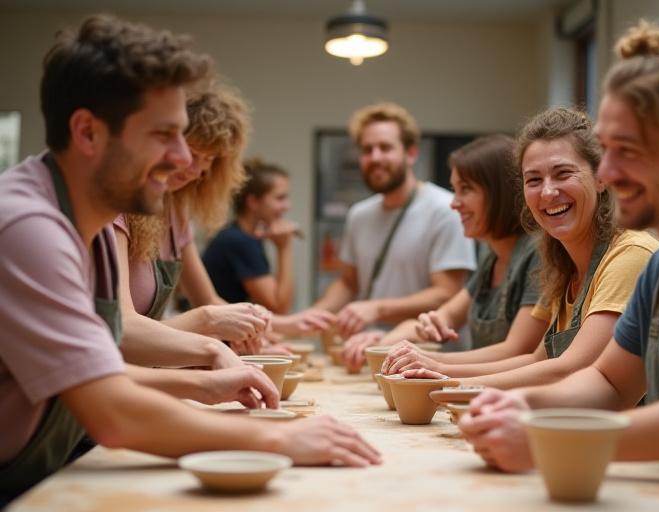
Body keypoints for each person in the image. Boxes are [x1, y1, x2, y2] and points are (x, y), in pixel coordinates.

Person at [0, 15, 379, 503]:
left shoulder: (90, 225)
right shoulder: (29, 229)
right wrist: (278, 439)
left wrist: (209, 386)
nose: (185, 160)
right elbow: (110, 411)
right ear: (88, 133)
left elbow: (93, 374)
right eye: (164, 135)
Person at [459, 21, 659, 510]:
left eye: (628, 151)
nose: (606, 173)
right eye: (606, 150)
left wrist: (556, 441)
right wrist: (521, 405)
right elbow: (608, 382)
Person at [386, 107, 659, 390]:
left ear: (602, 177)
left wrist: (447, 378)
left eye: (563, 174)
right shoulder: (560, 265)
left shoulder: (631, 255)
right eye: (534, 180)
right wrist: (435, 367)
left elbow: (573, 368)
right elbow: (537, 360)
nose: (547, 192)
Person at [343, 134, 548, 372]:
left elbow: (517, 350)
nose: (454, 203)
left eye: (466, 190)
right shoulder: (492, 257)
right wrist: (383, 342)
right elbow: (442, 318)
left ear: (499, 192)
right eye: (455, 190)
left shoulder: (537, 254)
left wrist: (430, 362)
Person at [114, 84, 278, 368]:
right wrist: (209, 322)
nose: (195, 169)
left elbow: (210, 299)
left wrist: (252, 325)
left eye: (210, 159)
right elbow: (120, 331)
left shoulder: (175, 210)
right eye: (193, 152)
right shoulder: (119, 206)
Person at [298, 102, 476, 345]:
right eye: (367, 150)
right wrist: (310, 317)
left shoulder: (445, 209)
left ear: (411, 153)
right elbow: (349, 282)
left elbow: (447, 293)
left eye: (385, 148)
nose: (375, 157)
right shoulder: (359, 215)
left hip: (431, 355)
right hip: (371, 350)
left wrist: (377, 309)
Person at [204, 158, 300, 313]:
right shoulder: (240, 242)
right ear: (253, 202)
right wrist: (284, 248)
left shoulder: (242, 236)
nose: (287, 206)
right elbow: (279, 307)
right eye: (280, 198)